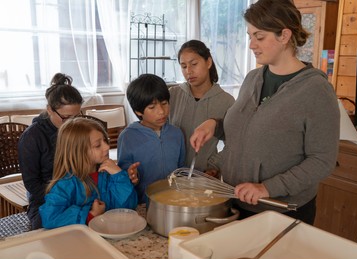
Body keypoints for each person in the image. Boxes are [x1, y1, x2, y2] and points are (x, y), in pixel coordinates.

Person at [189, 0, 340, 225]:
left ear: (284, 35)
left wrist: (267, 188)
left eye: (259, 37)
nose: (251, 44)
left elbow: (322, 161)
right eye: (250, 36)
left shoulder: (317, 91)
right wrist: (215, 125)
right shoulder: (253, 78)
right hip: (235, 201)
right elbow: (247, 126)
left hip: (281, 212)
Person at [39, 118, 138, 229]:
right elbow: (49, 218)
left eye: (105, 141)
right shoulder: (65, 184)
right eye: (97, 145)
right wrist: (89, 215)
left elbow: (129, 207)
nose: (107, 147)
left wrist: (120, 176)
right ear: (78, 151)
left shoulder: (109, 174)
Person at [18, 73, 83, 230]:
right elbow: (32, 184)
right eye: (66, 117)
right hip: (46, 198)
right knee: (49, 228)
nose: (73, 122)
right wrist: (62, 198)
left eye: (77, 116)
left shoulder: (80, 128)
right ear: (50, 110)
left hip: (79, 191)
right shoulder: (32, 137)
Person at [117, 74, 186, 204]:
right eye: (152, 107)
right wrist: (131, 175)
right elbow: (123, 173)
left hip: (174, 201)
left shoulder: (177, 134)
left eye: (164, 103)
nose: (161, 111)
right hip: (143, 203)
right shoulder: (127, 137)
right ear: (138, 111)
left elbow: (181, 169)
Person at [169, 40, 235, 174]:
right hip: (171, 175)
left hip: (204, 178)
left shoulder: (226, 101)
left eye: (194, 64)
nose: (189, 71)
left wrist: (214, 164)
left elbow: (234, 143)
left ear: (208, 62)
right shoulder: (172, 95)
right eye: (183, 66)